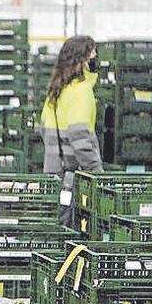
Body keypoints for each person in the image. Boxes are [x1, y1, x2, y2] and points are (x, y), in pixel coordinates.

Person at [39, 35, 100, 227]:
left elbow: (43, 129)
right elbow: (81, 141)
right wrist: (98, 174)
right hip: (75, 179)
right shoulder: (81, 90)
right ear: (82, 59)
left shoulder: (56, 90)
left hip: (55, 176)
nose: (96, 56)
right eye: (92, 53)